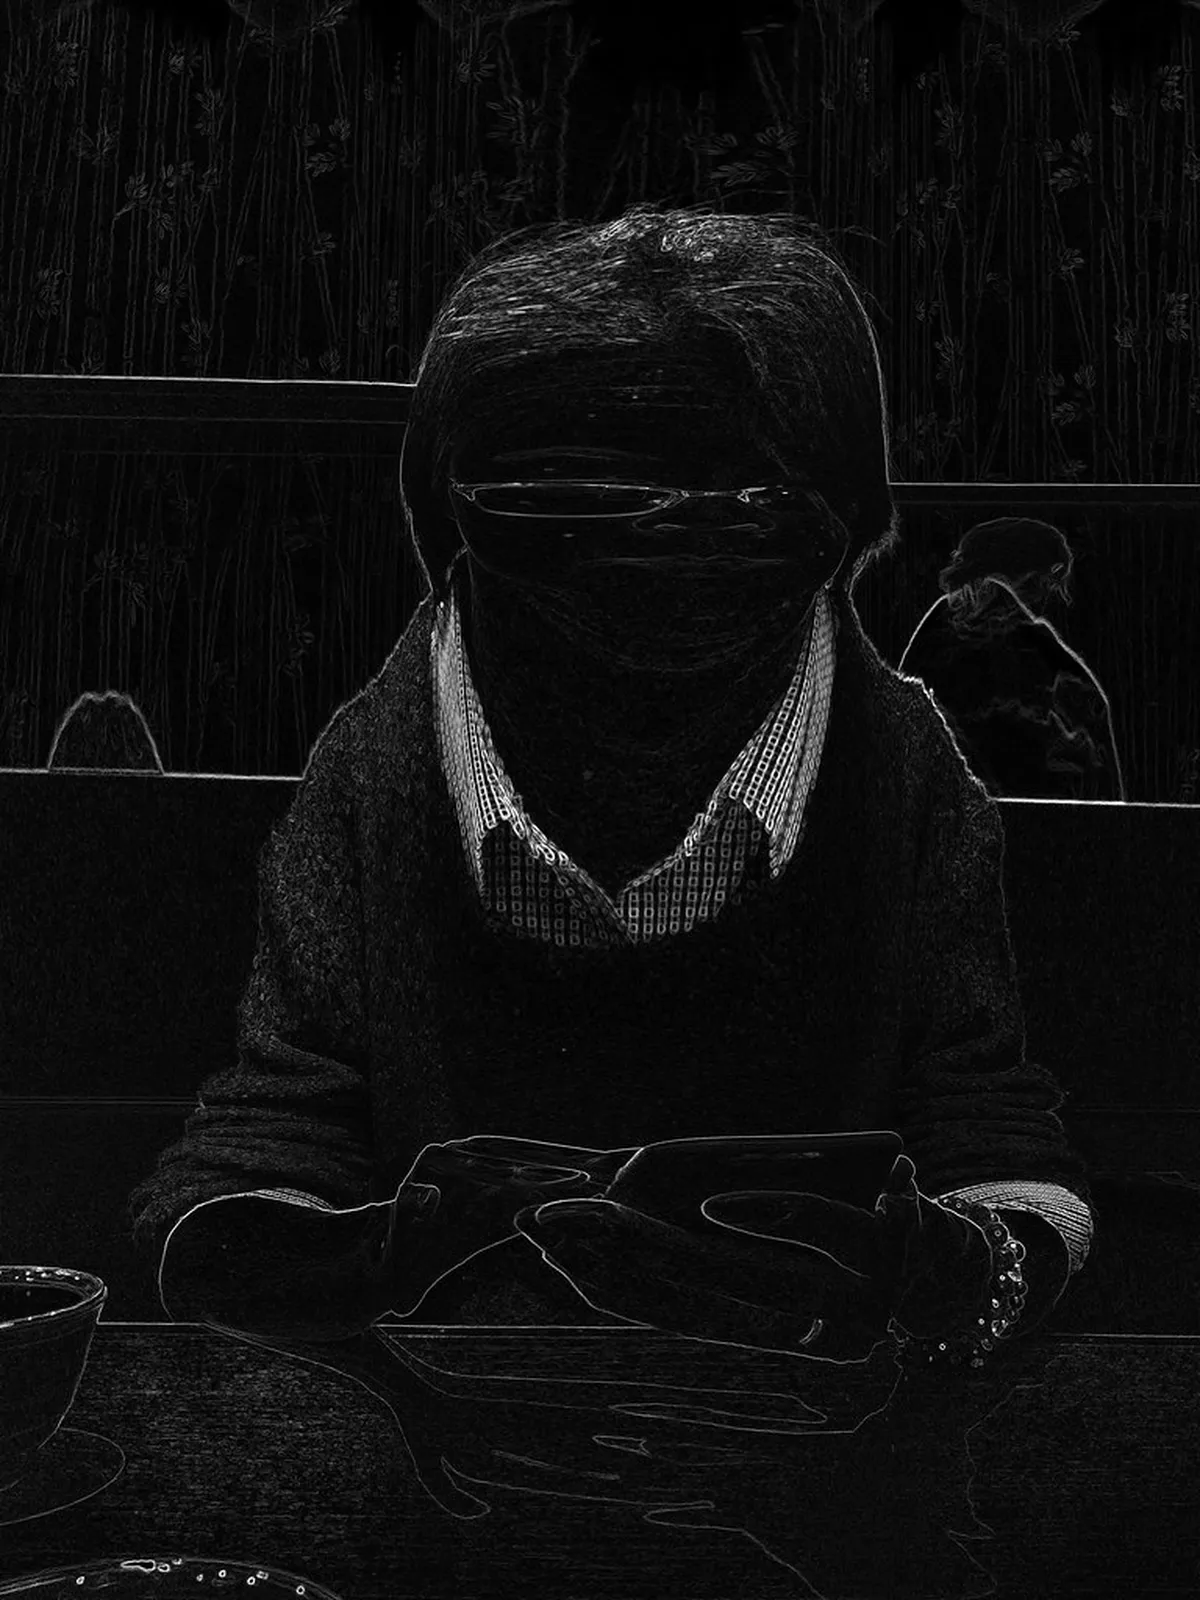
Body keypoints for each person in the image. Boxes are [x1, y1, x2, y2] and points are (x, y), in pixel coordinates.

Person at [126, 203, 1093, 1360]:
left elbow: (995, 1138)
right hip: (462, 1429)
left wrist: (948, 1271)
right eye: (560, 508)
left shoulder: (904, 772)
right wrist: (374, 1264)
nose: (647, 577)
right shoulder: (378, 767)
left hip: (807, 1422)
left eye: (735, 517)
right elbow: (264, 1142)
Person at [898, 518, 1126, 802]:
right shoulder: (1036, 647)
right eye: (1051, 584)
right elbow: (1093, 758)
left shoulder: (935, 632)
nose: (1053, 599)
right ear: (1036, 578)